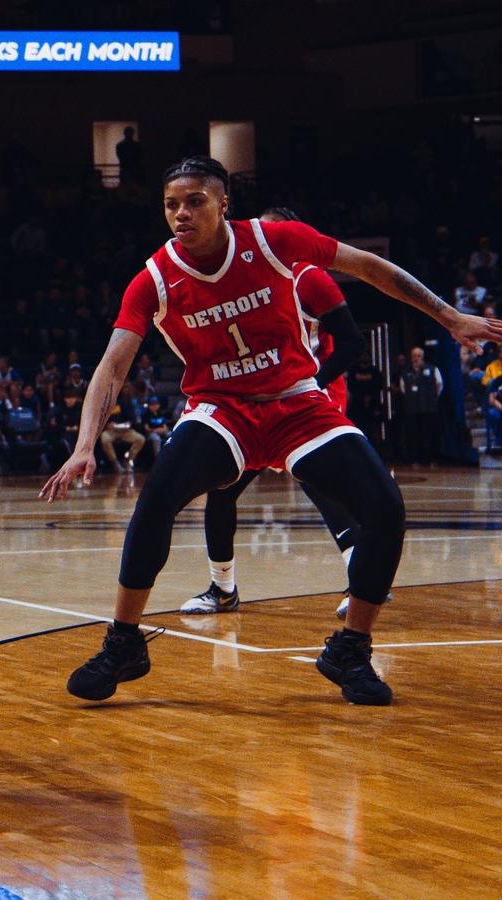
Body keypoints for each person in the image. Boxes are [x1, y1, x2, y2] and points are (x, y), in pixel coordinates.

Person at [41, 156, 502, 707]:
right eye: (171, 205)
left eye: (194, 202)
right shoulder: (154, 280)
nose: (181, 214)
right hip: (221, 410)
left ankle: (351, 648)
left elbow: (369, 267)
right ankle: (124, 642)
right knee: (158, 495)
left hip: (296, 401)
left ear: (223, 203)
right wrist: (84, 445)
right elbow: (113, 366)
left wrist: (449, 316)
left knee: (385, 506)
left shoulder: (273, 240)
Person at [181, 206, 371, 615]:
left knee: (321, 485)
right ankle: (223, 589)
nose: (259, 241)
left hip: (308, 396)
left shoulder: (309, 277)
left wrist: (313, 383)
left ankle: (361, 581)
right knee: (222, 489)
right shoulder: (245, 281)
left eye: (269, 233)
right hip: (257, 402)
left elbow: (353, 342)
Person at [398, 346, 443, 464]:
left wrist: (431, 397)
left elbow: (439, 385)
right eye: (414, 356)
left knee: (429, 434)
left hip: (429, 408)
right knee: (414, 434)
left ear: (422, 357)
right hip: (412, 409)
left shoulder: (432, 368)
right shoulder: (406, 371)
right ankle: (415, 459)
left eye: (418, 356)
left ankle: (431, 459)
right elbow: (403, 388)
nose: (416, 358)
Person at [97, 384, 146, 472]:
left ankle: (128, 461)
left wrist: (129, 423)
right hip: (111, 431)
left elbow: (133, 419)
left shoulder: (127, 402)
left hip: (125, 430)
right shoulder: (105, 402)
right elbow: (100, 418)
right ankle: (115, 463)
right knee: (104, 438)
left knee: (140, 439)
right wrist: (106, 424)